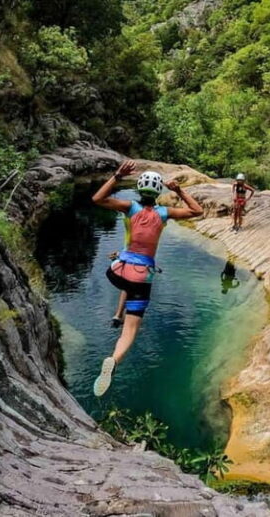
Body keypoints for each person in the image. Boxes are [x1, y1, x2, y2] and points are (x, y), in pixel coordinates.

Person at [91, 160, 204, 396]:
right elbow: (197, 211)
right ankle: (114, 359)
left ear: (139, 190)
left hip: (117, 272)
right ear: (158, 193)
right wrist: (179, 190)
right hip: (142, 279)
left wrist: (117, 176)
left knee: (122, 266)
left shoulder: (129, 207)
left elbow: (97, 199)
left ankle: (117, 314)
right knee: (130, 331)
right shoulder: (164, 213)